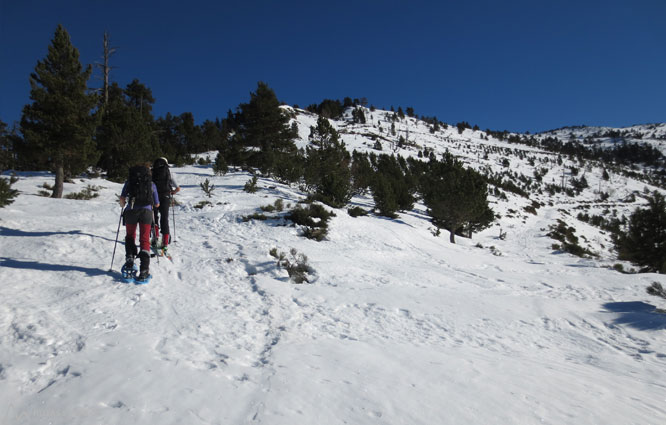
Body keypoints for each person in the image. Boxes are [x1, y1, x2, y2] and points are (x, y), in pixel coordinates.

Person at [119, 163, 160, 282]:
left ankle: (130, 260)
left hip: (131, 211)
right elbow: (157, 204)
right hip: (146, 213)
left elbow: (122, 199)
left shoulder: (129, 182)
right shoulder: (151, 184)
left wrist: (124, 204)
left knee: (130, 236)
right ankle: (144, 270)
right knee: (144, 239)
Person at [151, 157, 180, 251]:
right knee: (164, 218)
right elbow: (178, 188)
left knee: (154, 217)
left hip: (153, 198)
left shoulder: (152, 172)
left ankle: (155, 237)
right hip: (165, 197)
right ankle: (165, 241)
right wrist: (172, 192)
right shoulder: (169, 173)